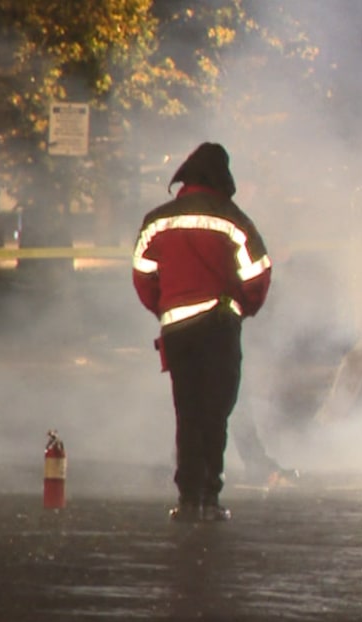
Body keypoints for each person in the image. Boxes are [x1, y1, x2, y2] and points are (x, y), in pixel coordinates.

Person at [132, 142, 290, 523]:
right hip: (219, 326)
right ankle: (208, 497)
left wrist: (164, 307)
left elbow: (143, 274)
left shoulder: (157, 220)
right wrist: (243, 309)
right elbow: (258, 275)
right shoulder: (234, 220)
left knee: (187, 412)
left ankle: (187, 499)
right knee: (216, 410)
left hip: (177, 330)